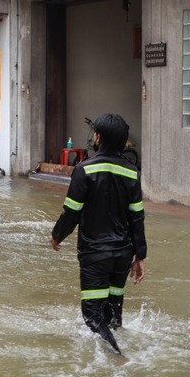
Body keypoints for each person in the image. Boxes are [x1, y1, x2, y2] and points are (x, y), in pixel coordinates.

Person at [50, 113, 146, 353]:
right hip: (122, 255)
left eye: (95, 133)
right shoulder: (132, 172)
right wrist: (140, 256)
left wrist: (57, 235)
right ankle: (118, 348)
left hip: (95, 255)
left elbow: (71, 212)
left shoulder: (84, 170)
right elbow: (137, 217)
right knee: (113, 314)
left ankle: (118, 356)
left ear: (99, 138)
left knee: (93, 317)